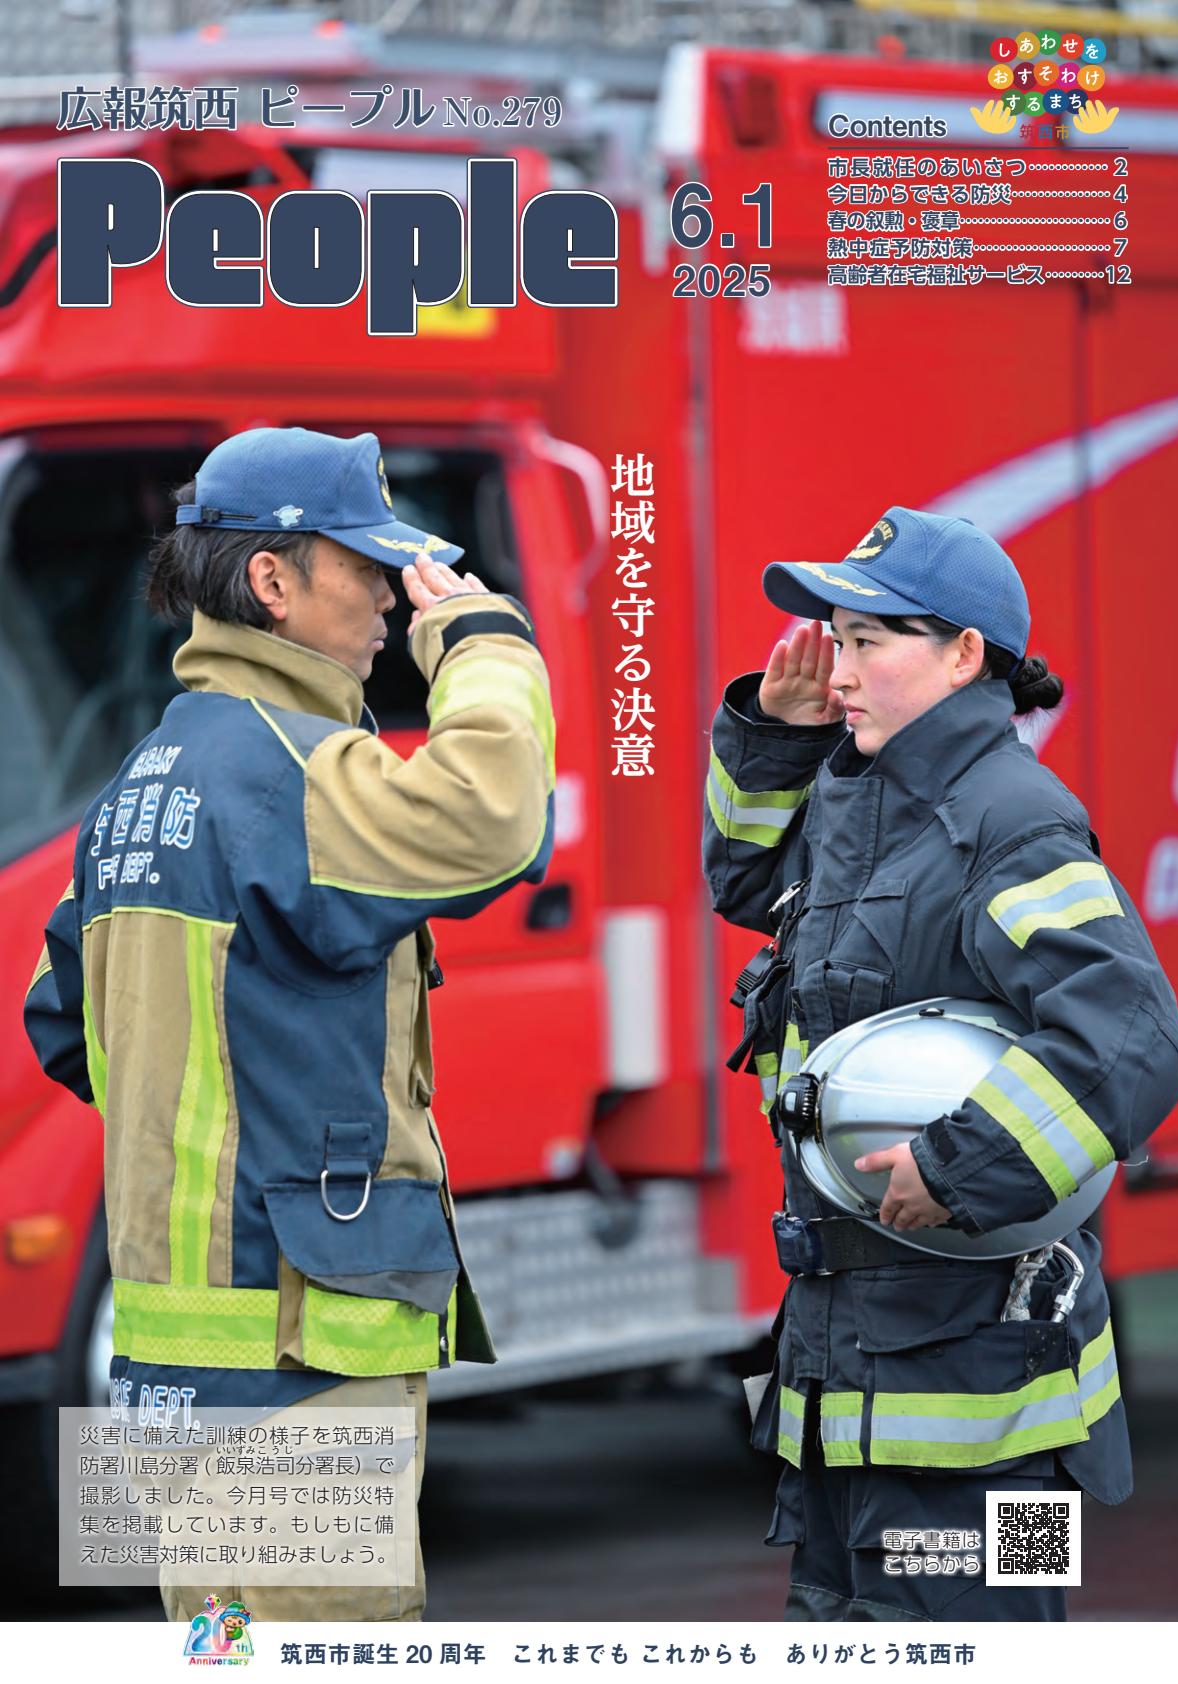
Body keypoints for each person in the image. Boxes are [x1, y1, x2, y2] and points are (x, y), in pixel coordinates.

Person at [23, 426, 556, 1622]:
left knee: (223, 1643)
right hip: (304, 1337)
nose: (381, 593)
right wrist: (484, 643)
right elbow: (497, 818)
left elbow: (66, 1018)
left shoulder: (141, 785)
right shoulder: (295, 774)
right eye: (360, 563)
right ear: (272, 581)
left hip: (175, 1355)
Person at [702, 507, 1178, 1621]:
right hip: (859, 1376)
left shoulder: (1008, 820)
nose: (843, 668)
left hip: (992, 1405)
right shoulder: (863, 794)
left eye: (872, 642)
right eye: (836, 637)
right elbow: (750, 890)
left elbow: (1130, 1033)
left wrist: (961, 1166)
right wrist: (774, 739)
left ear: (965, 653)